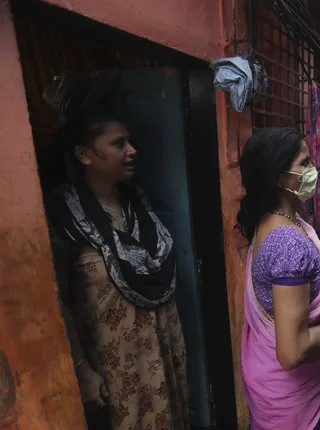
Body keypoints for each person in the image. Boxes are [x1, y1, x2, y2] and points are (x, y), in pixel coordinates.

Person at [46, 111, 189, 429]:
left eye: (131, 142)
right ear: (84, 154)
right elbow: (59, 300)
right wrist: (82, 369)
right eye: (118, 143)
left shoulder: (136, 200)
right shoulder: (64, 216)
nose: (132, 150)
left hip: (162, 355)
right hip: (116, 368)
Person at [237, 127, 320, 430]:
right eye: (305, 163)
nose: (314, 170)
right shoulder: (288, 244)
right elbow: (292, 351)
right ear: (278, 178)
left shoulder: (272, 221)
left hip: (272, 384)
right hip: (291, 399)